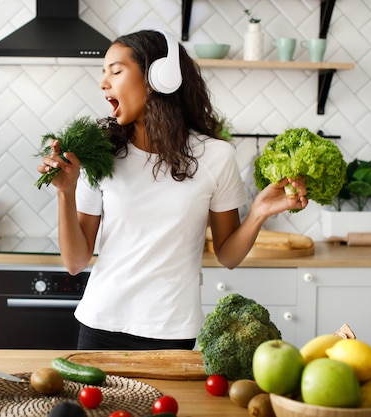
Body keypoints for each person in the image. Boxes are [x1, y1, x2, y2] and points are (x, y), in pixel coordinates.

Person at [37, 29, 308, 350]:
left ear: (158, 78)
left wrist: (259, 212)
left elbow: (228, 255)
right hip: (101, 323)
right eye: (103, 72)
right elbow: (75, 261)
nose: (103, 83)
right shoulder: (101, 156)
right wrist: (65, 193)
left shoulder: (216, 156)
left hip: (172, 329)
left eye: (116, 71)